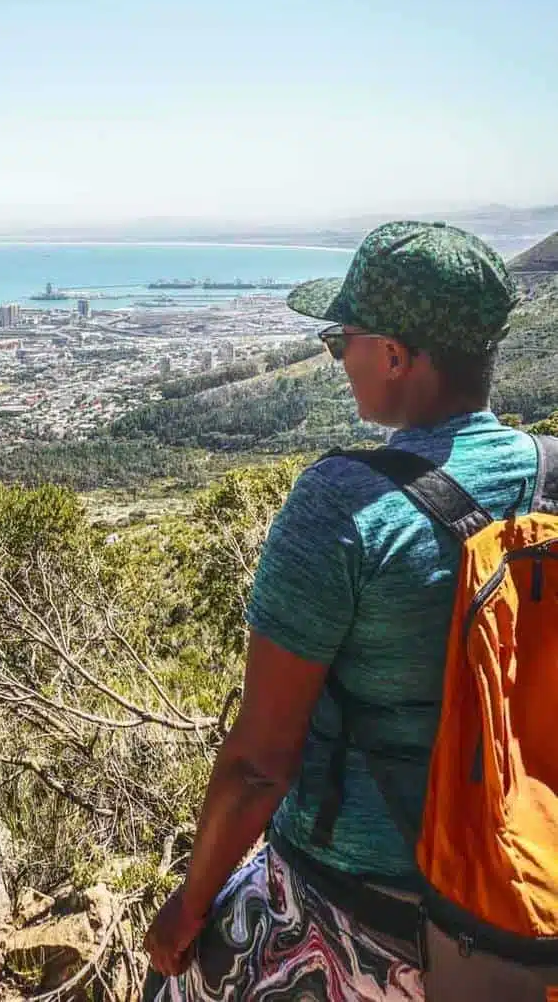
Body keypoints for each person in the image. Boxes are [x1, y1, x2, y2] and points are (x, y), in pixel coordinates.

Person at [144, 219, 533, 1002]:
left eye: (339, 339)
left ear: (394, 355)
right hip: (531, 882)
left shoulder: (345, 506)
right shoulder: (548, 474)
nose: (338, 356)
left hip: (365, 898)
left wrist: (186, 911)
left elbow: (260, 764)